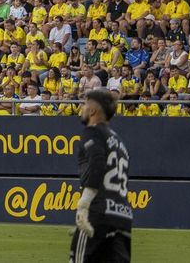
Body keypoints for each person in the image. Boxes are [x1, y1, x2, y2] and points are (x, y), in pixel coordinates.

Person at [72, 88, 133, 263]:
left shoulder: (92, 132)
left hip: (98, 211)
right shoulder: (119, 141)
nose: (82, 108)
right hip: (123, 215)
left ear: (92, 111)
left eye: (84, 104)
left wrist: (84, 203)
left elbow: (97, 163)